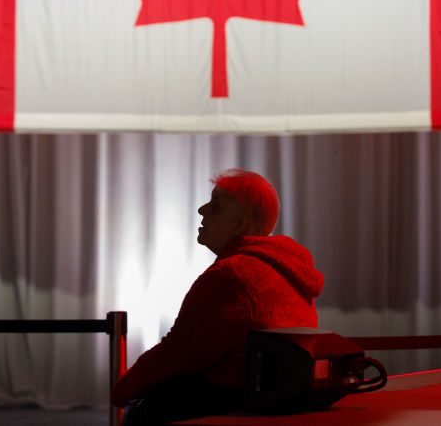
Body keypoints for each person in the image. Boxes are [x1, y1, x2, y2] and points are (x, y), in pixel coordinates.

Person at [112, 169, 324, 424]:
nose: (202, 210)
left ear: (241, 225)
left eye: (215, 207)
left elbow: (180, 353)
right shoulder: (289, 271)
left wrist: (123, 389)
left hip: (232, 407)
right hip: (279, 405)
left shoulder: (232, 275)